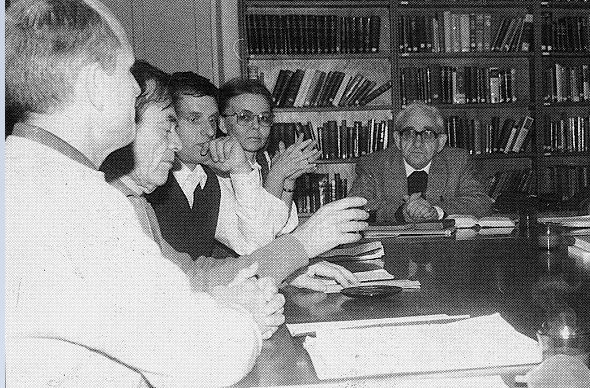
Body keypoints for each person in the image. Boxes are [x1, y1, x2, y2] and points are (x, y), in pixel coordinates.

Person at [5, 0, 277, 387]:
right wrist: (246, 314)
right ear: (96, 84)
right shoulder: (78, 201)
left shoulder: (29, 173)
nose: (135, 89)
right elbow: (202, 358)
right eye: (127, 72)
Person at [105, 60, 369, 292]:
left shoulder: (194, 182)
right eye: (171, 125)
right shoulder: (119, 200)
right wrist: (301, 244)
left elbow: (199, 271)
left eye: (210, 121)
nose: (208, 133)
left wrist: (293, 273)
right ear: (123, 127)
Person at [148, 71, 294, 258]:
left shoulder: (207, 182)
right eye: (194, 119)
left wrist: (240, 170)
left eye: (212, 120)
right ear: (169, 122)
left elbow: (256, 243)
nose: (209, 131)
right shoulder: (152, 181)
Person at [349, 101, 492, 224]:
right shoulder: (373, 165)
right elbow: (355, 207)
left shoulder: (458, 161)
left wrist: (436, 211)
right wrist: (401, 212)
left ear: (440, 142)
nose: (417, 144)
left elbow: (480, 202)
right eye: (409, 133)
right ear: (398, 140)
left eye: (428, 134)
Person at [217, 77, 320, 208]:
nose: (256, 125)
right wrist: (278, 174)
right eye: (244, 117)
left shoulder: (264, 160)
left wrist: (288, 180)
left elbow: (282, 223)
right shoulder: (219, 169)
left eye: (264, 118)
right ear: (222, 124)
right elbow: (259, 226)